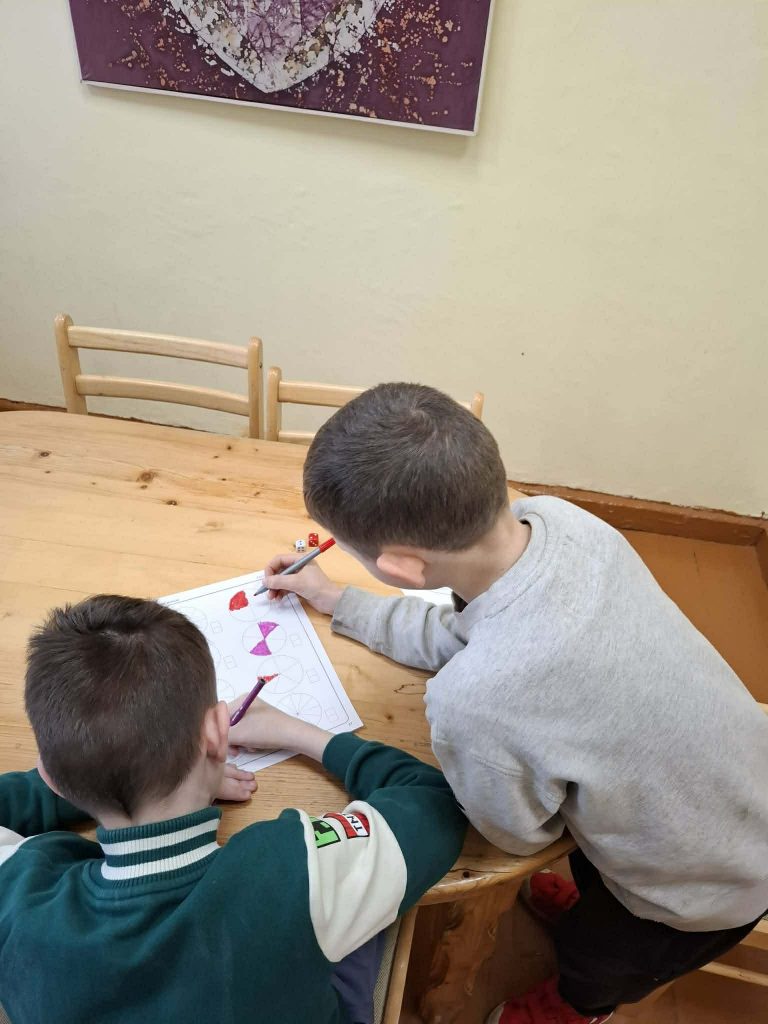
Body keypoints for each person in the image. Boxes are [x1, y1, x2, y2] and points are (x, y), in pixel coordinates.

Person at [263, 382, 768, 1024]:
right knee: (598, 894)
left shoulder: (475, 701)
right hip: (739, 789)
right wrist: (339, 601)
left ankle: (578, 1007)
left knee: (600, 959)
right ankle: (596, 910)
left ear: (402, 569)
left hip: (698, 891)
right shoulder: (560, 521)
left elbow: (521, 834)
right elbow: (472, 634)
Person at [0, 594, 466, 1024]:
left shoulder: (17, 903)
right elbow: (432, 801)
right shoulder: (291, 873)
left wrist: (100, 772)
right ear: (219, 734)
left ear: (51, 776)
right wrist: (298, 734)